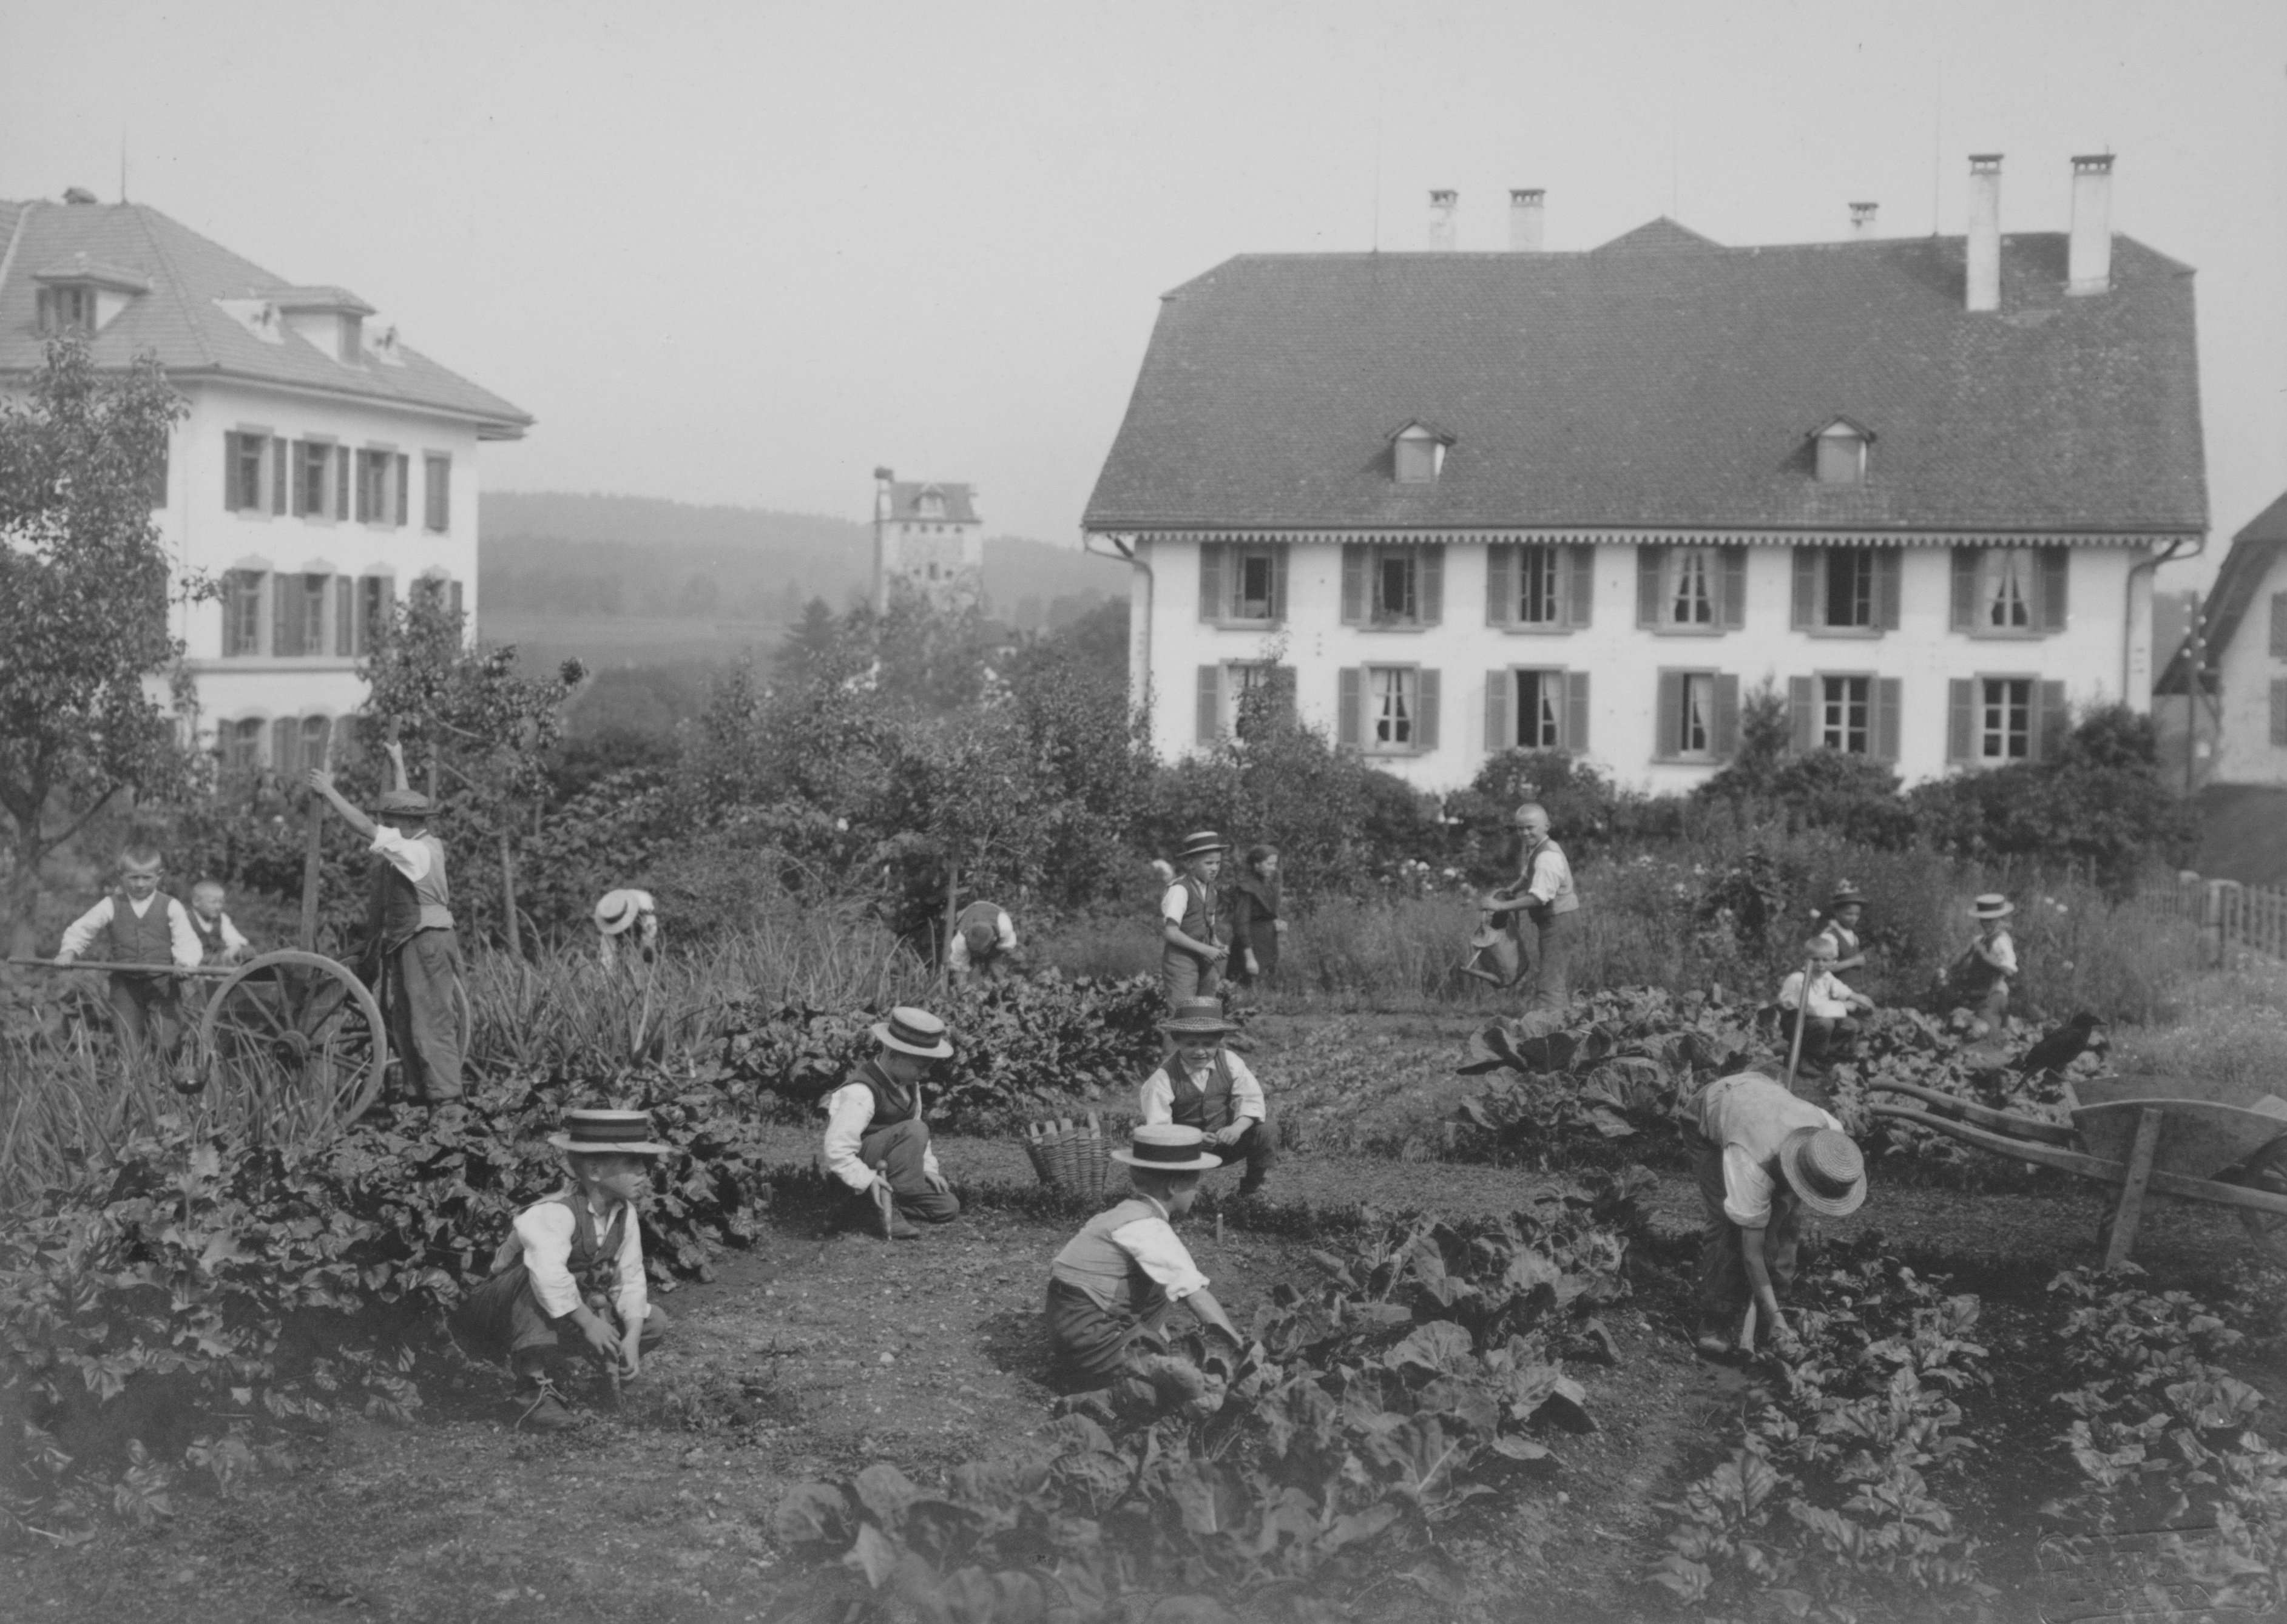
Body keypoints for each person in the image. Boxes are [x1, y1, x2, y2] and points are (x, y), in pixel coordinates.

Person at [454, 1108, 670, 1432]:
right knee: (540, 1281)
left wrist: (633, 1339)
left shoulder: (624, 1216)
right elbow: (548, 1276)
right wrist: (588, 1323)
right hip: (496, 1313)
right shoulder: (555, 1212)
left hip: (559, 1313)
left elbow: (631, 1277)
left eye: (644, 1163)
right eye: (632, 1163)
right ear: (595, 1170)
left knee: (653, 1320)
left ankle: (604, 1377)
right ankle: (533, 1394)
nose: (644, 1171)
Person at [309, 743, 465, 1104]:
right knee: (406, 1024)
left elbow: (366, 827)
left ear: (410, 823)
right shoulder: (416, 838)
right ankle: (420, 1097)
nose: (386, 826)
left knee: (430, 1023)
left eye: (392, 821)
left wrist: (329, 791)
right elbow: (404, 804)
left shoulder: (416, 850)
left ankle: (447, 1102)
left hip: (425, 940)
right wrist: (398, 761)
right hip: (411, 939)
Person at [1044, 1123, 1244, 1402]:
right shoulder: (1148, 1227)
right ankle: (1104, 1397)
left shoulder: (1119, 1215)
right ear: (1174, 1185)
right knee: (1188, 1388)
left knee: (1159, 1283)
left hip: (1069, 1332)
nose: (1197, 1192)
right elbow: (1195, 1295)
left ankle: (1126, 1363)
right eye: (1195, 1183)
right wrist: (1240, 1352)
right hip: (1094, 1340)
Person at [1684, 1071, 1866, 1359]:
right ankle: (1716, 1319)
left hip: (1764, 1099)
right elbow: (1752, 1254)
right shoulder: (1750, 1162)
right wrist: (1762, 1235)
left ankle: (1779, 1304)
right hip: (1715, 1110)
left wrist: (1778, 1219)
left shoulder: (1828, 1137)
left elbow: (1786, 1204)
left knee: (1788, 1220)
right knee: (1728, 1224)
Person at [822, 1006, 962, 1240]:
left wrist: (928, 1169)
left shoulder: (909, 1084)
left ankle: (872, 1205)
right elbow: (837, 1149)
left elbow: (918, 1135)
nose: (925, 1074)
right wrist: (865, 1179)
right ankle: (874, 1205)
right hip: (862, 1165)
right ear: (894, 1055)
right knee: (916, 1129)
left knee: (947, 1207)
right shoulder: (861, 1091)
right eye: (921, 1067)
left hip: (892, 1169)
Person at [55, 844, 203, 1060]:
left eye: (147, 878)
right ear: (122, 876)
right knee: (127, 1042)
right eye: (134, 878)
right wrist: (69, 951)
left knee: (168, 1042)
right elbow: (83, 928)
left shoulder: (170, 906)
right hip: (125, 986)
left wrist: (186, 964)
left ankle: (169, 1086)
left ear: (159, 876)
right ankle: (131, 1088)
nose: (140, 884)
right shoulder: (110, 905)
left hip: (163, 985)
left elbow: (186, 939)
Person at [1138, 998, 1274, 1198]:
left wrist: (1236, 1128)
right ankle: (1172, 1194)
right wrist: (1192, 1139)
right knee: (1177, 1197)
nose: (1200, 1051)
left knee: (1267, 1130)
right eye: (1191, 1044)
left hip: (1226, 1142)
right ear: (1176, 1040)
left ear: (1219, 1040)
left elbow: (1251, 1098)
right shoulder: (1164, 1077)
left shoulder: (1230, 1061)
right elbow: (1158, 1128)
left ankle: (1253, 1192)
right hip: (1183, 1150)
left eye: (1208, 1044)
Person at [1484, 803, 1578, 1022]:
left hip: (1561, 921)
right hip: (1554, 921)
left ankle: (1553, 1036)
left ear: (1546, 826)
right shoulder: (1538, 848)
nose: (1525, 833)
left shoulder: (1547, 856)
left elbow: (1538, 898)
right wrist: (1512, 889)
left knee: (1549, 984)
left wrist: (1500, 906)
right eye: (1520, 828)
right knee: (1551, 980)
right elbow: (1528, 875)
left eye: (1530, 828)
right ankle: (1562, 1027)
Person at [1777, 936, 1874, 1067]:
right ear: (1806, 959)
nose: (1821, 964)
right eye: (1815, 959)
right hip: (1795, 1021)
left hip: (1813, 1019)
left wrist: (1855, 997)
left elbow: (1839, 988)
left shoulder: (1825, 976)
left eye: (1825, 960)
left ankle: (1828, 1053)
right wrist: (1843, 1006)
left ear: (1833, 961)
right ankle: (1807, 1059)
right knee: (1825, 1024)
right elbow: (1813, 1007)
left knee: (1852, 1025)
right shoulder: (1799, 979)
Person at [1158, 832, 1231, 1005]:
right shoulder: (1180, 890)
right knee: (1183, 1013)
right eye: (1209, 863)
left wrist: (1216, 943)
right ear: (1191, 863)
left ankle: (1202, 1033)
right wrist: (1206, 950)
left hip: (1205, 961)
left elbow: (1208, 926)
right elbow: (1171, 933)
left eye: (1218, 863)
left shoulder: (1211, 890)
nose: (1214, 868)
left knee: (1205, 1010)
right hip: (1181, 961)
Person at [1945, 895, 2018, 1030]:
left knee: (1983, 1030)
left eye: (1991, 920)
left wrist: (1986, 957)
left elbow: (2009, 971)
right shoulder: (1980, 940)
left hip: (1994, 993)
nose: (1987, 924)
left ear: (1999, 919)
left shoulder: (2000, 941)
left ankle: (2000, 1024)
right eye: (1984, 920)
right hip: (1979, 993)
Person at [1226, 846, 1285, 1005]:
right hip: (1252, 943)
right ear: (1256, 864)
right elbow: (1241, 923)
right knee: (1248, 988)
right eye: (1269, 864)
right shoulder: (1246, 887)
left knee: (1266, 985)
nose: (1273, 869)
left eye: (1274, 864)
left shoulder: (1267, 884)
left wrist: (1275, 923)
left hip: (1267, 940)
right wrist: (1249, 958)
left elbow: (1264, 913)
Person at [946, 898, 1018, 984]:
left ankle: (999, 976)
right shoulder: (961, 940)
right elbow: (958, 966)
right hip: (970, 910)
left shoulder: (1004, 927)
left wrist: (995, 960)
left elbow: (1007, 946)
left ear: (994, 939)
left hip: (993, 910)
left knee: (996, 965)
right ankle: (976, 964)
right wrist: (964, 986)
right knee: (973, 971)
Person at [186, 880, 253, 967]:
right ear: (196, 902)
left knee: (248, 951)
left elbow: (233, 937)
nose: (218, 907)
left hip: (215, 959)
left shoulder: (221, 919)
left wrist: (235, 947)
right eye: (213, 902)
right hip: (194, 960)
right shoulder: (186, 919)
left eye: (220, 902)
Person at [593, 888, 658, 970]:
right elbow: (606, 960)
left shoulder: (644, 904)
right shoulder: (609, 915)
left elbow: (649, 940)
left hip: (644, 918)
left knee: (647, 952)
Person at [1812, 881, 1868, 976]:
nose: (1853, 918)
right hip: (1836, 988)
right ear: (1836, 912)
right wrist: (1854, 962)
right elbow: (1824, 967)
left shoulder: (1853, 936)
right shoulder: (1830, 936)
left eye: (1857, 915)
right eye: (1849, 914)